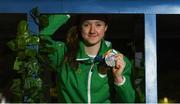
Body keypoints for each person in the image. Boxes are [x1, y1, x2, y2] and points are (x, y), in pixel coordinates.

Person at [43, 14, 135, 103]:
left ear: (106, 27)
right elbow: (38, 38)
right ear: (80, 27)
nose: (92, 31)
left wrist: (118, 79)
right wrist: (66, 10)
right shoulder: (63, 53)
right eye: (86, 25)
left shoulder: (118, 60)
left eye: (98, 25)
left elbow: (129, 101)